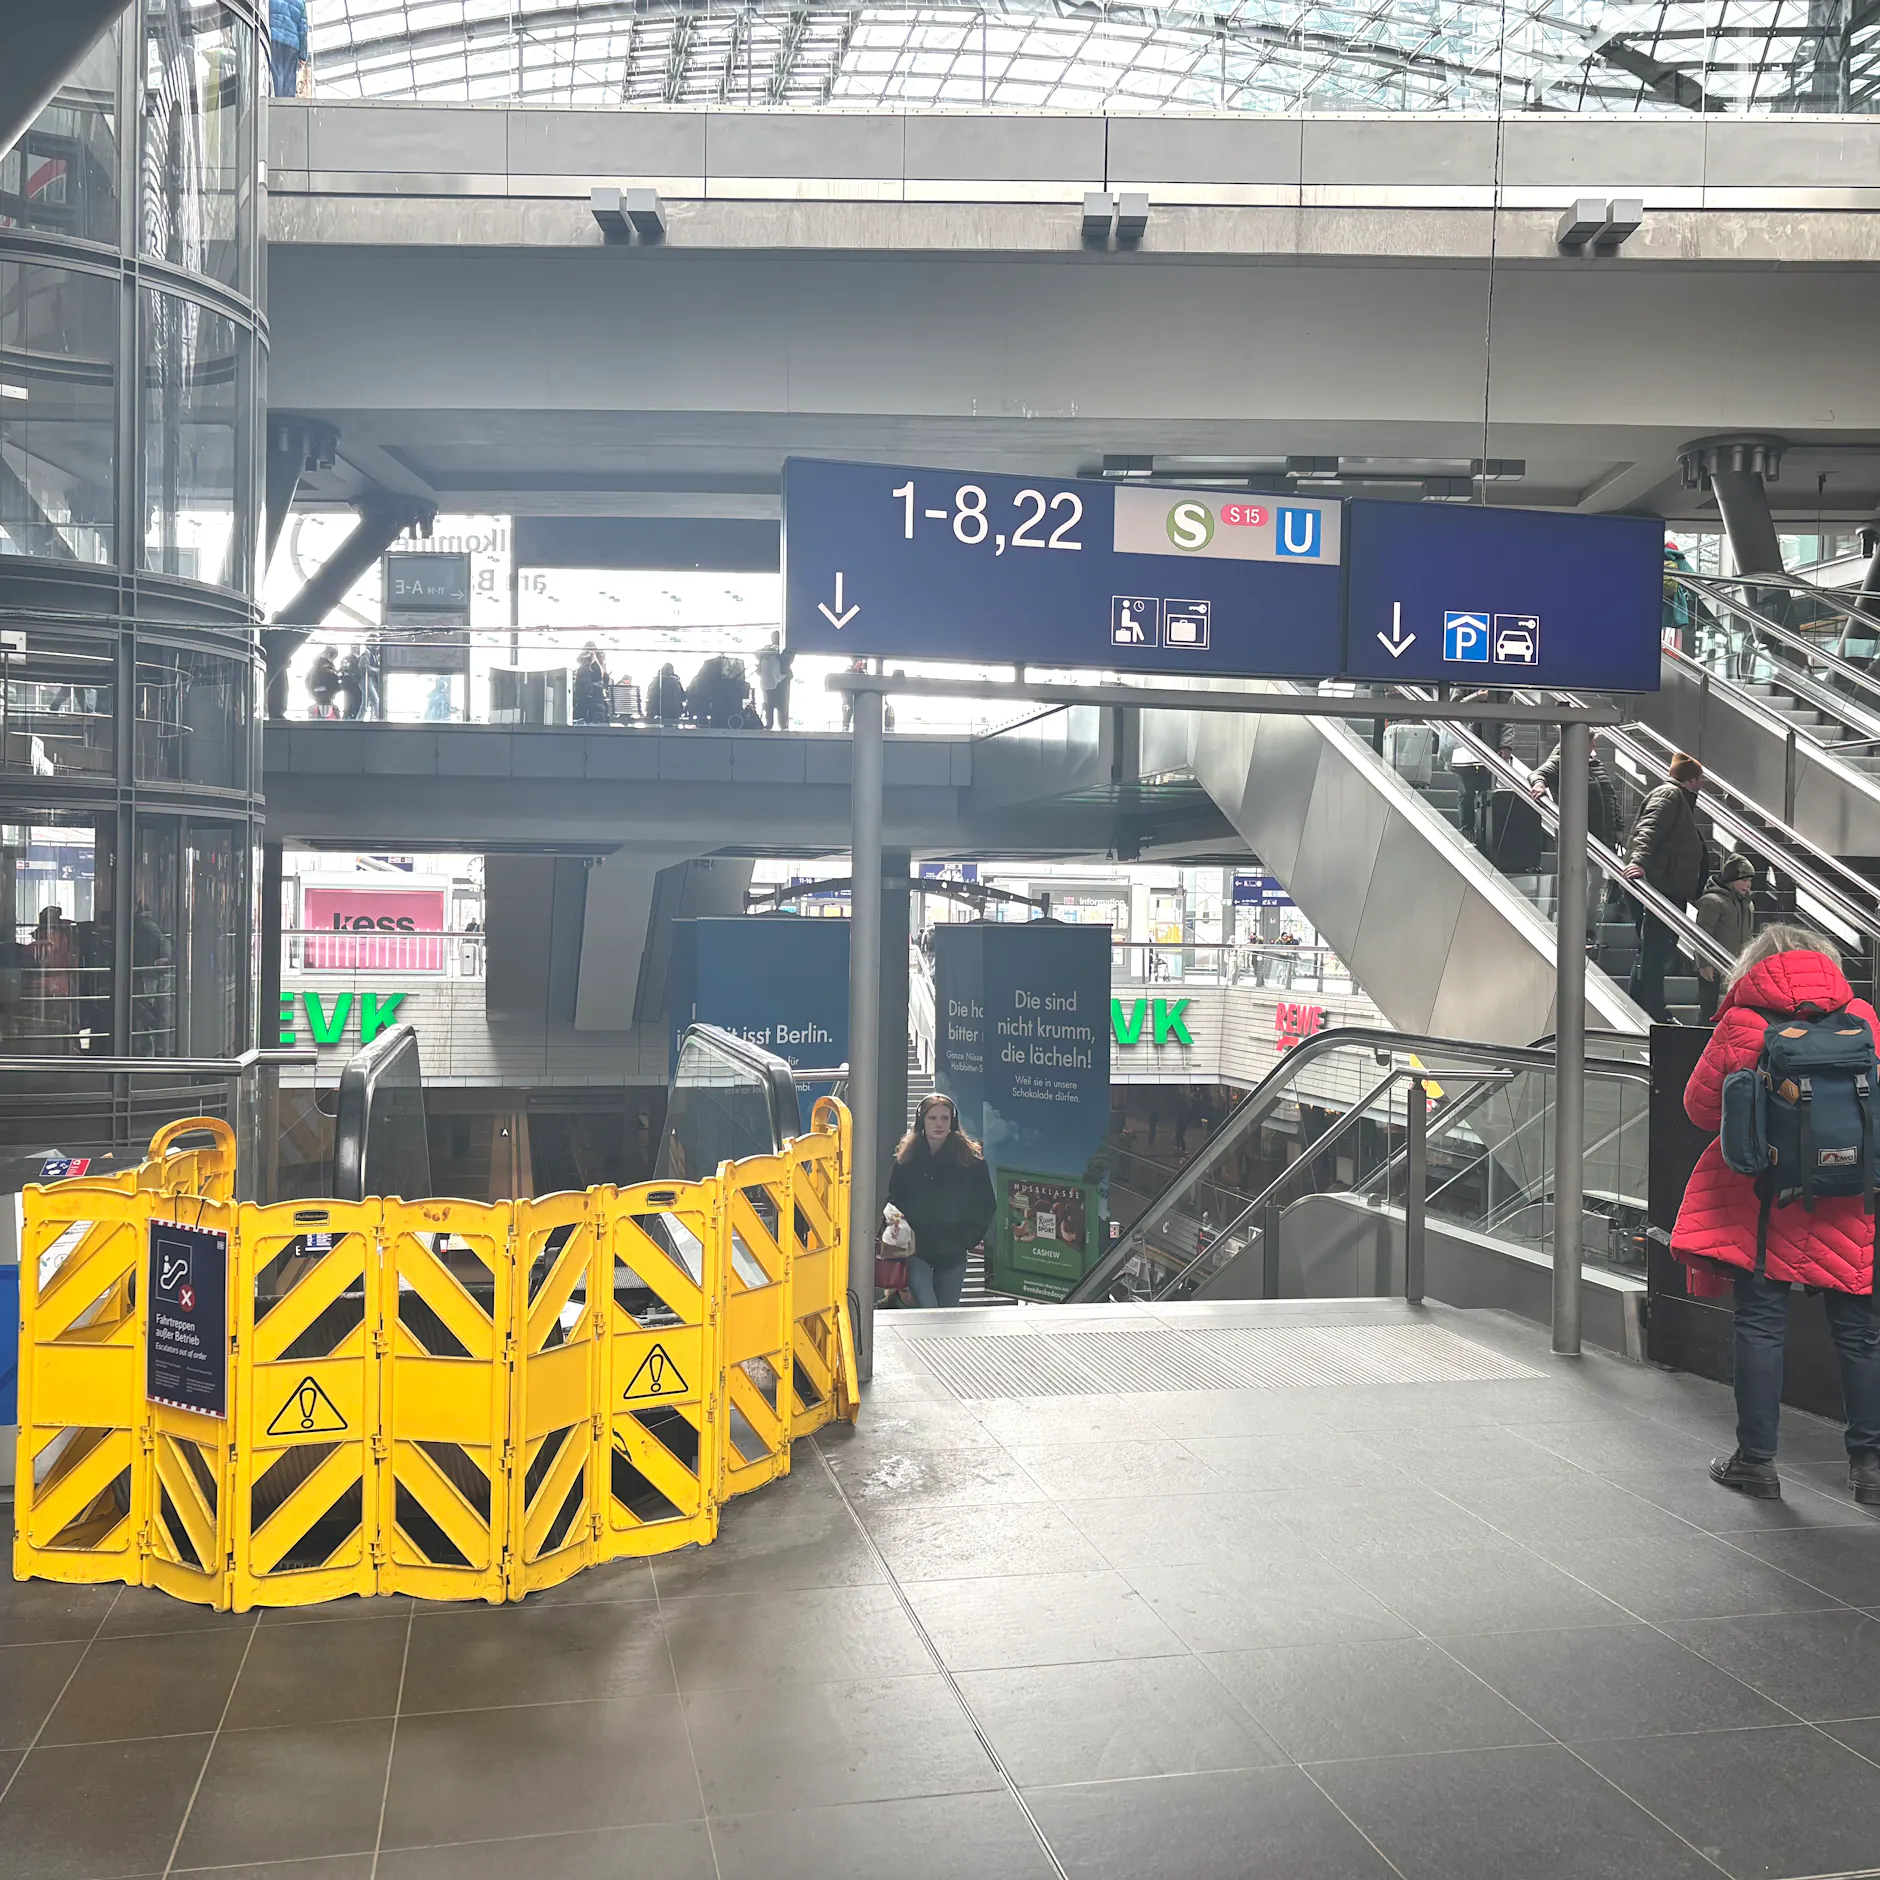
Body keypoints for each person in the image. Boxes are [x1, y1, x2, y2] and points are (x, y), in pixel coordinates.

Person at [1672, 924, 1880, 1507]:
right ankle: (1870, 1468)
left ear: (1755, 965)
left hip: (1768, 1202)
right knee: (1860, 1336)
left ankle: (1757, 1463)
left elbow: (1699, 1107)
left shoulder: (1745, 1022)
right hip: (1848, 1199)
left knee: (1762, 1329)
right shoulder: (1861, 1016)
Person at [887, 1094, 996, 1309]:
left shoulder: (971, 1161)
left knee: (948, 1313)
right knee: (928, 1310)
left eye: (944, 1118)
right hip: (918, 1250)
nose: (939, 1124)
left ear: (952, 1122)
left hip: (953, 1251)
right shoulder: (907, 1158)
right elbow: (895, 1198)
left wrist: (967, 1239)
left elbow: (985, 1204)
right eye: (932, 1118)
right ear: (922, 1122)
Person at [1624, 751, 1711, 1022]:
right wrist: (1638, 862)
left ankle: (1639, 1001)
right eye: (1700, 778)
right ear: (1691, 779)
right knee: (1655, 949)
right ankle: (1653, 1008)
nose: (1703, 783)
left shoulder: (1679, 799)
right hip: (1660, 886)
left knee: (1657, 948)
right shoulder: (1669, 796)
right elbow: (1649, 828)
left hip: (1670, 886)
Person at [1532, 738, 1622, 942]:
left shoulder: (1595, 764)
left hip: (1601, 836)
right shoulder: (1562, 760)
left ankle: (1587, 928)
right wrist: (1539, 785)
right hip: (1577, 835)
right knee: (1579, 881)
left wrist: (1618, 827)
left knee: (1597, 880)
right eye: (1590, 743)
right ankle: (1575, 927)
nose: (1594, 748)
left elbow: (1610, 796)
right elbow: (1538, 774)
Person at [1693, 855, 1757, 1022]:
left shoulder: (1748, 904)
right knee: (1710, 1009)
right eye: (1743, 880)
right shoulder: (1712, 901)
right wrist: (1704, 963)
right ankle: (1703, 1041)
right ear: (1731, 880)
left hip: (1737, 966)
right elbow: (1702, 934)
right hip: (1714, 966)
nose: (1747, 885)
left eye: (1749, 880)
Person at [755, 632, 795, 731]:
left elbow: (788, 659)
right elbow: (757, 654)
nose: (775, 639)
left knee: (783, 704)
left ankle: (783, 726)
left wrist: (776, 653)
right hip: (768, 681)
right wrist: (768, 652)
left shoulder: (786, 649)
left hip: (782, 681)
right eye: (773, 637)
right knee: (768, 704)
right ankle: (769, 725)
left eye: (777, 637)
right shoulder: (767, 648)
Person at [269, 0, 309, 97]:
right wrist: (303, 55)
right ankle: (286, 105)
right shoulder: (300, 2)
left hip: (274, 37)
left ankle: (275, 101)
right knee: (289, 77)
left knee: (276, 74)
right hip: (292, 44)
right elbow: (303, 29)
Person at [572, 643, 612, 725]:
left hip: (587, 703)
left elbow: (586, 686)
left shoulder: (584, 668)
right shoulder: (595, 668)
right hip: (595, 702)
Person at [306, 645, 339, 719]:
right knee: (325, 714)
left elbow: (307, 679)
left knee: (321, 713)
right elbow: (331, 677)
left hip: (319, 692)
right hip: (325, 693)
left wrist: (311, 689)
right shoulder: (325, 664)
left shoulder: (317, 664)